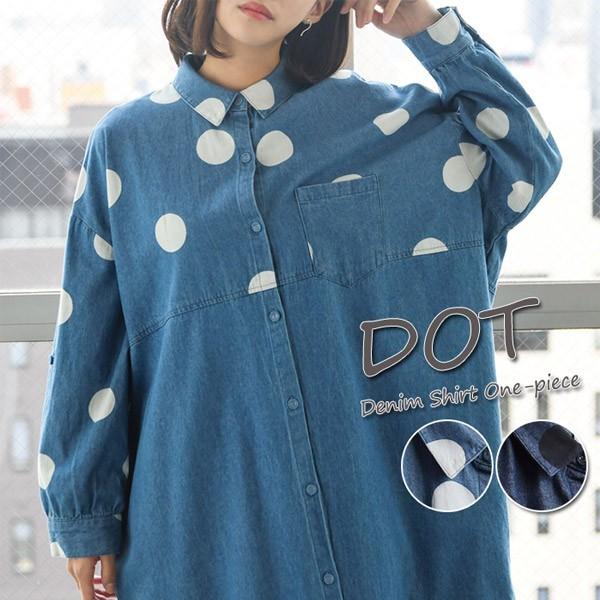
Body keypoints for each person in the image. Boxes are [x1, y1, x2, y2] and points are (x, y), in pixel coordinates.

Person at [37, 0, 563, 598]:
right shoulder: (125, 147)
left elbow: (527, 156)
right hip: (206, 536)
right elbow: (89, 346)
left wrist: (422, 22)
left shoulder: (399, 128)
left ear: (320, 5)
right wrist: (83, 514)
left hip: (386, 531)